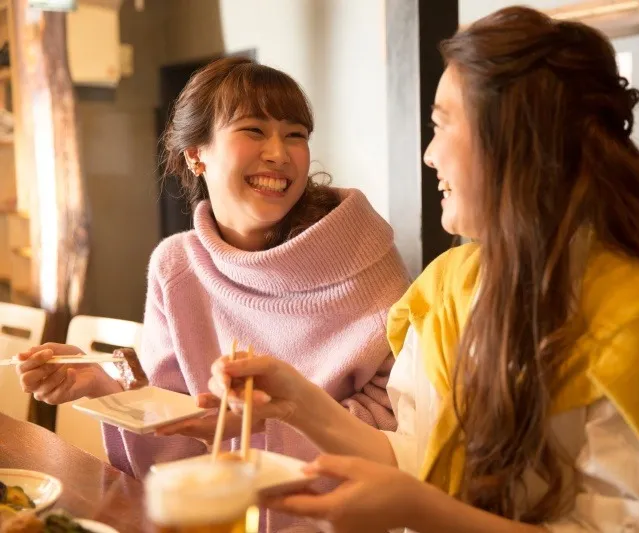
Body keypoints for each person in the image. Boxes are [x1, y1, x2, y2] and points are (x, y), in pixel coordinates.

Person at [206, 7, 639, 533]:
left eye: (442, 125)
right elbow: (419, 454)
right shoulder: (448, 287)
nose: (429, 154)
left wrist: (421, 510)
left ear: (516, 141)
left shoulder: (637, 321)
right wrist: (296, 401)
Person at [15, 57, 409, 532]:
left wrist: (261, 431)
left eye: (295, 134)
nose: (278, 153)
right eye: (254, 130)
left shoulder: (361, 252)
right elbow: (174, 430)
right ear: (195, 154)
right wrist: (101, 385)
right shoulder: (177, 266)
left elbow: (396, 424)